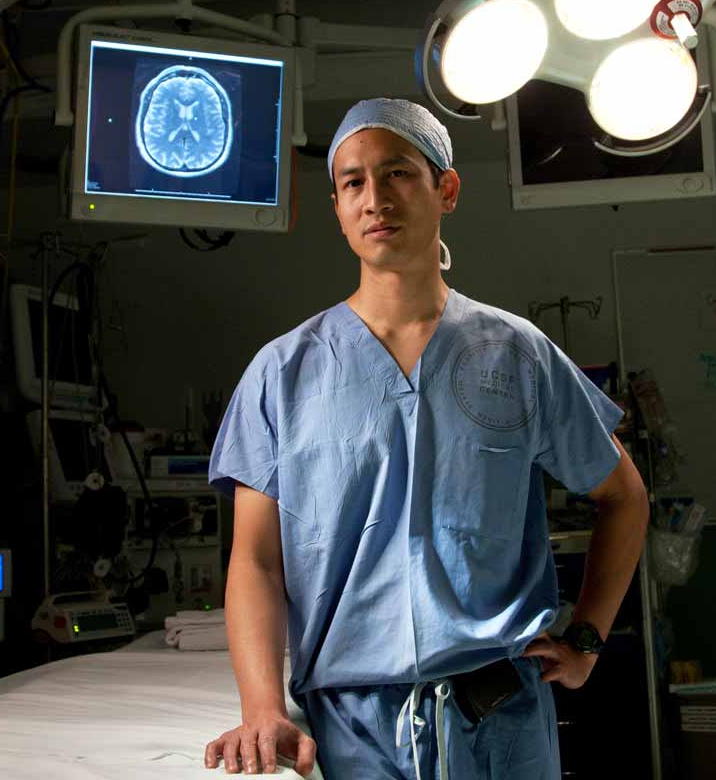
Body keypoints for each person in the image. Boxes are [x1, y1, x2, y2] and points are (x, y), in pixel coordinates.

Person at [204, 98, 649, 779]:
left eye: (398, 174)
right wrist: (262, 705)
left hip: (499, 720)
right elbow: (256, 561)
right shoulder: (283, 373)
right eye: (353, 181)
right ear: (338, 207)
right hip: (352, 734)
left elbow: (624, 496)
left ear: (446, 188)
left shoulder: (515, 355)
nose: (375, 198)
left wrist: (586, 638)